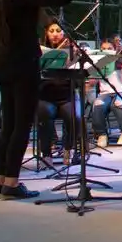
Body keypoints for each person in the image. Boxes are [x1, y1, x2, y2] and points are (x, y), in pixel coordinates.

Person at [0, 0, 81, 200]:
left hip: (5, 63)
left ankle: (0, 183)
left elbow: (27, 7)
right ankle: (12, 183)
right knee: (22, 125)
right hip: (24, 63)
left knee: (9, 125)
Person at [36, 19, 76, 167]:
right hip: (45, 95)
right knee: (44, 114)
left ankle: (68, 148)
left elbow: (75, 74)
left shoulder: (71, 49)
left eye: (58, 31)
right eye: (51, 31)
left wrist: (74, 59)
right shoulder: (39, 50)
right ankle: (46, 153)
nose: (55, 34)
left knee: (74, 115)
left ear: (64, 33)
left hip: (66, 94)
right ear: (46, 33)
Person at [91, 40, 122, 148]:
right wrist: (95, 71)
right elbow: (92, 83)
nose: (106, 51)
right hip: (105, 93)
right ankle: (101, 134)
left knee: (118, 103)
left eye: (109, 49)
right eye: (104, 49)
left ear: (115, 50)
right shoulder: (100, 63)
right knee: (97, 104)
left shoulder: (120, 61)